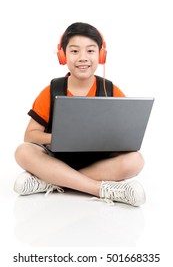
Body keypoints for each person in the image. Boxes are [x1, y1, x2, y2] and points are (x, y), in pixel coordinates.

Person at [14, 22, 146, 206]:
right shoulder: (51, 90)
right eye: (75, 51)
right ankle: (102, 189)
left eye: (90, 51)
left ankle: (48, 181)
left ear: (100, 55)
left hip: (97, 162)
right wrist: (61, 138)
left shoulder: (110, 90)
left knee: (135, 160)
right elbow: (29, 136)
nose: (83, 58)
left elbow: (125, 140)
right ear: (63, 55)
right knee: (23, 151)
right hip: (56, 158)